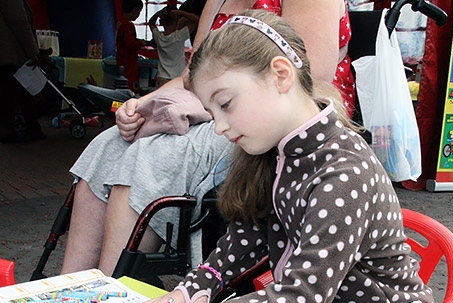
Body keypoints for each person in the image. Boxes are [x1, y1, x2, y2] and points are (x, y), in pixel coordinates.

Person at [94, 10, 435, 303]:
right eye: (211, 111)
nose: (218, 126)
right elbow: (247, 237)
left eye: (225, 104)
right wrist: (192, 290)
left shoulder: (343, 172)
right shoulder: (276, 154)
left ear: (280, 74)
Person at [60, 0, 350, 276]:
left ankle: (112, 288)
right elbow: (192, 77)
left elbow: (311, 77)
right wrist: (142, 103)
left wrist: (222, 105)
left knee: (151, 154)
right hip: (217, 106)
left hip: (272, 117)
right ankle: (69, 285)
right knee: (109, 142)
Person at [0, 0, 47, 143]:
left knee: (12, 92)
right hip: (12, 52)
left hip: (4, 51)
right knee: (13, 92)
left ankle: (29, 128)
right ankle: (15, 131)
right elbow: (20, 25)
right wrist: (33, 51)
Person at [148, 5, 199, 87]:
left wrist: (158, 13)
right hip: (177, 78)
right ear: (177, 21)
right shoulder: (179, 36)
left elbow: (151, 23)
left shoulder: (158, 37)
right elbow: (196, 20)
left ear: (161, 22)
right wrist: (180, 12)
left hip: (162, 76)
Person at [116, 0, 146, 92]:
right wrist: (140, 43)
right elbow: (130, 43)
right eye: (139, 12)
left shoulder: (119, 23)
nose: (138, 15)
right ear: (134, 10)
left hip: (120, 61)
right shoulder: (128, 25)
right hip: (129, 63)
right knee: (131, 89)